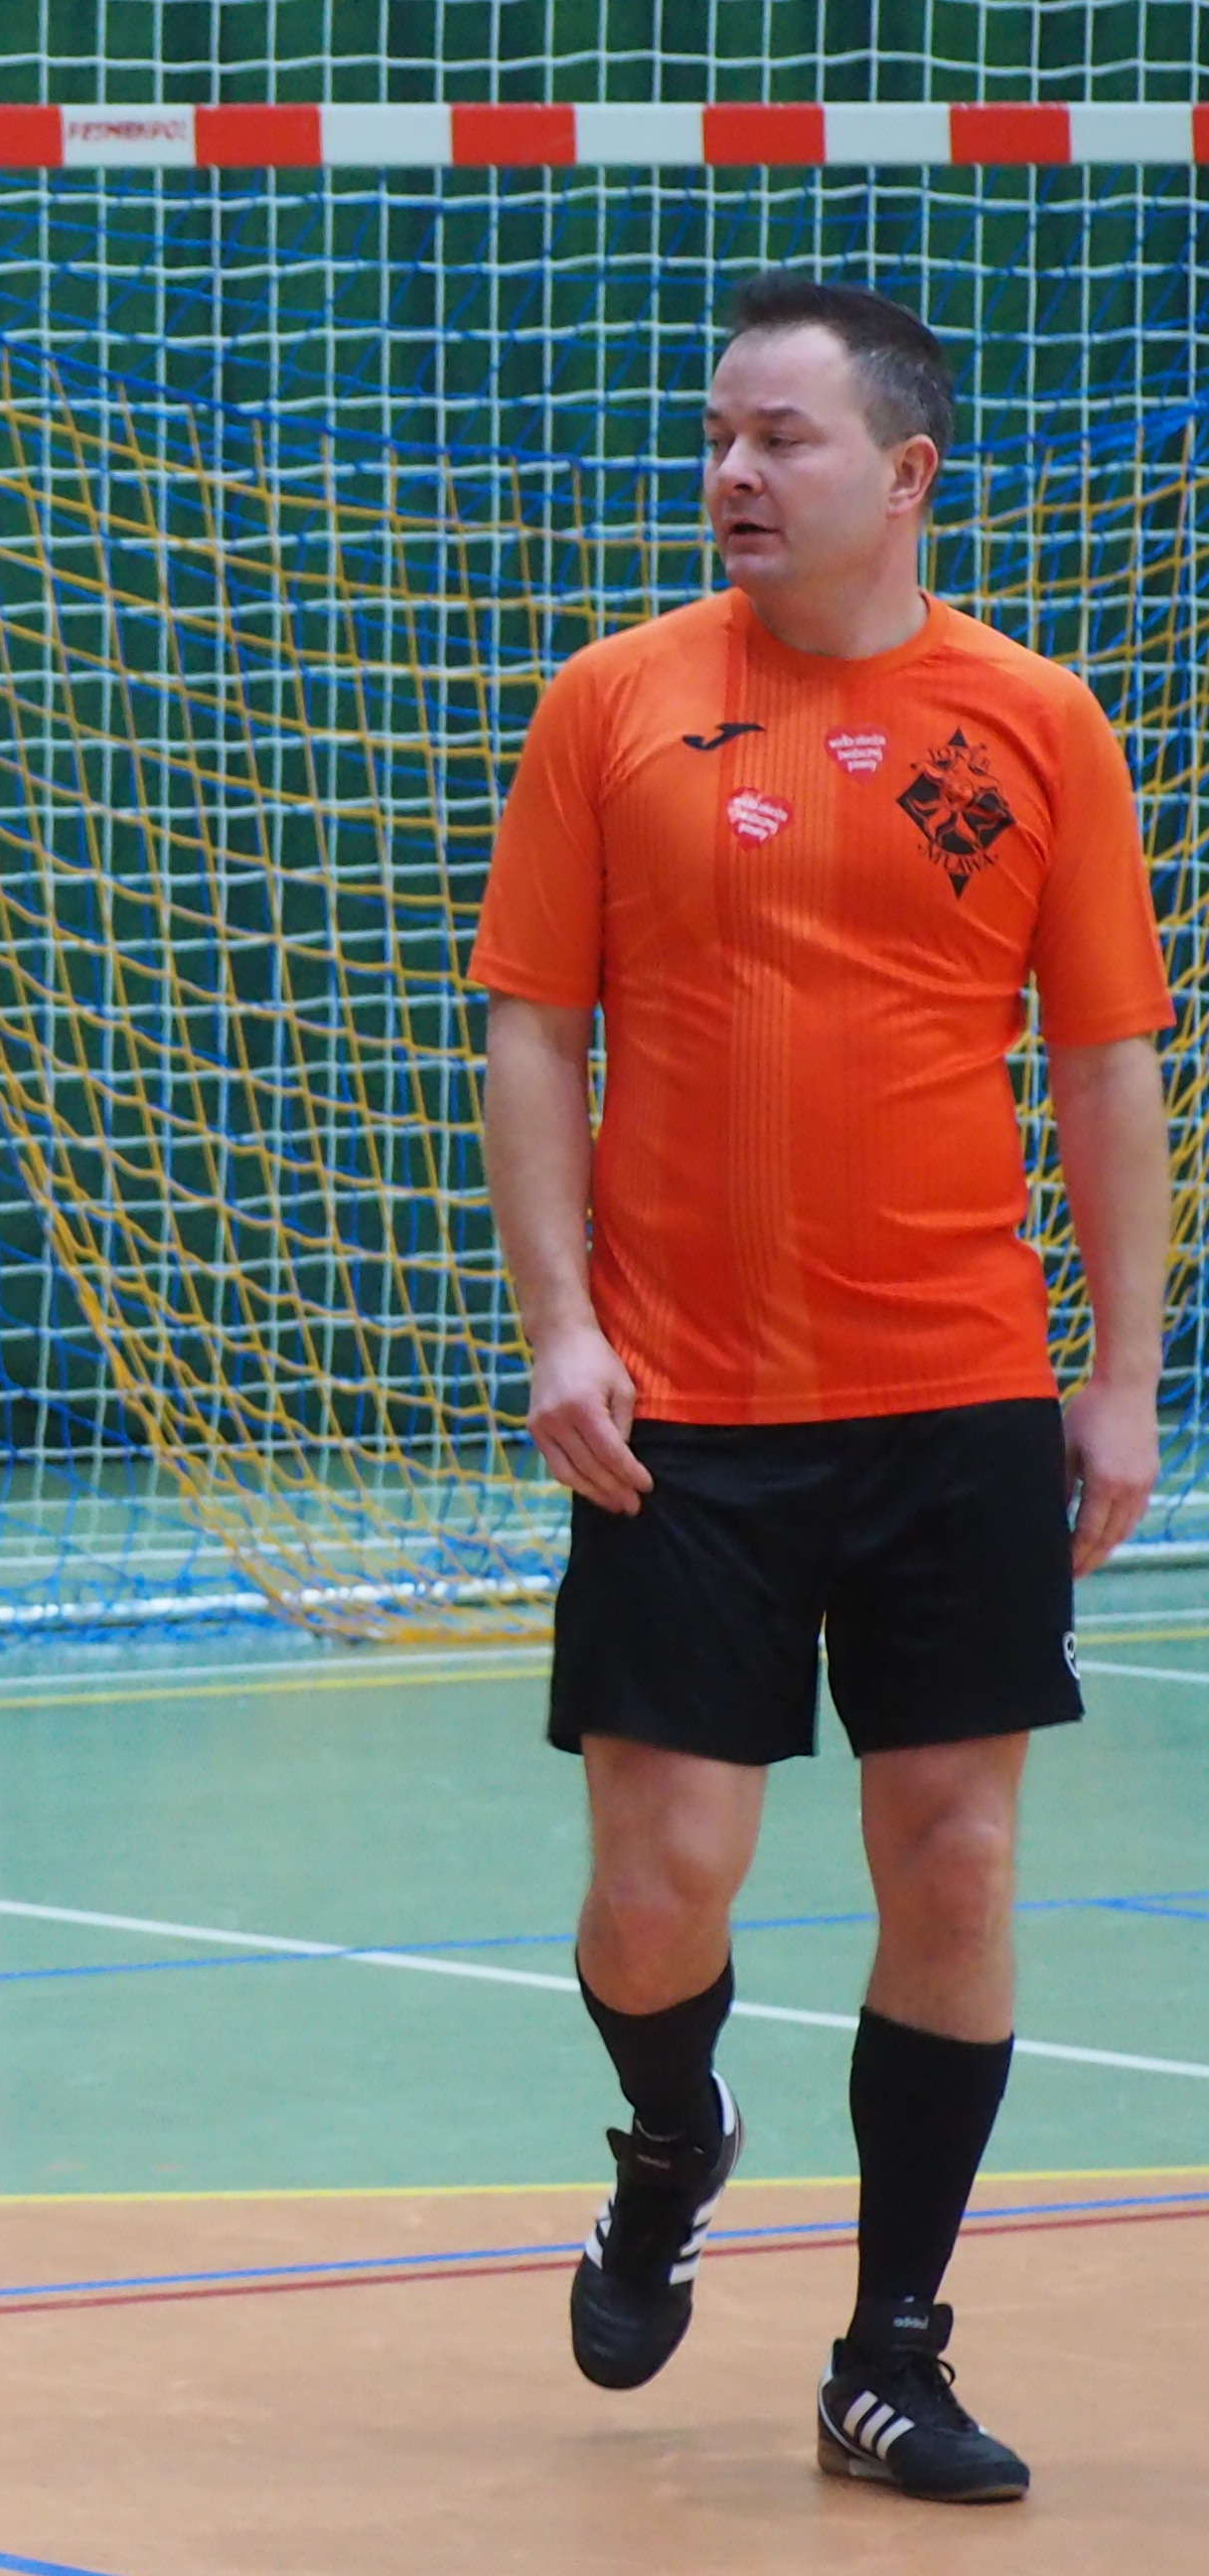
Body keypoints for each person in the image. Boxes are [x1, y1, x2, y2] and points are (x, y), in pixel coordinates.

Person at [477, 276, 1174, 2507]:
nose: (734, 474)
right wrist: (560, 1324)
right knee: (660, 1885)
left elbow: (1109, 1064)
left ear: (907, 472)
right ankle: (672, 2135)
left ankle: (891, 2352)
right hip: (682, 1407)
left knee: (956, 1860)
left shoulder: (1037, 723)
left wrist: (1125, 1377)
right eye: (720, 437)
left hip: (955, 1389)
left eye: (781, 438)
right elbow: (531, 1026)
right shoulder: (615, 703)